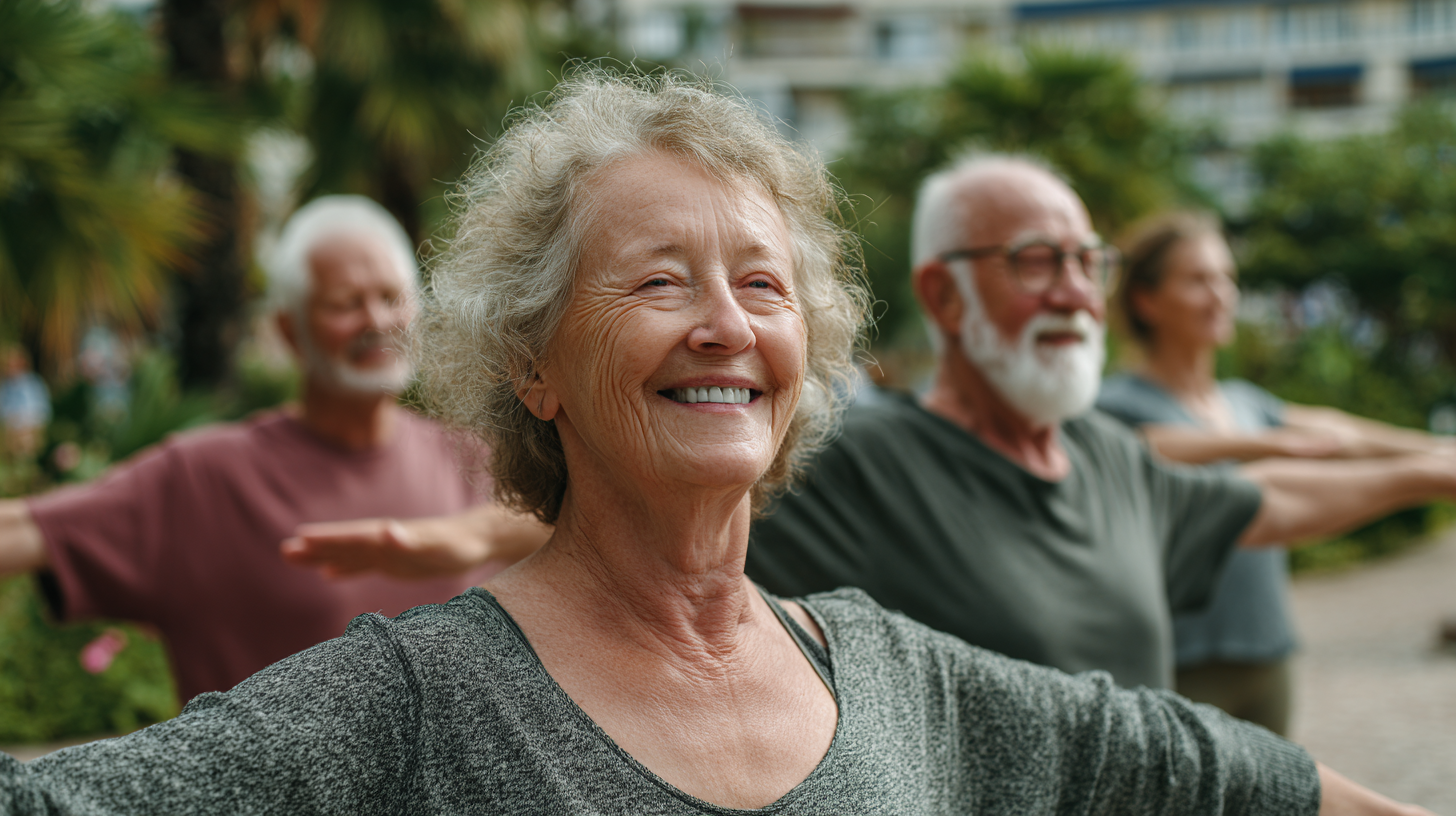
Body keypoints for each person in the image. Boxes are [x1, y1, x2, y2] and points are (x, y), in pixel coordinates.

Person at [0, 71, 1424, 816]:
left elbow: (1202, 771)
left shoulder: (892, 676)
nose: (726, 325)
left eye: (762, 284)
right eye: (657, 280)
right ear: (531, 367)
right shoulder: (409, 702)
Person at [300, 154, 1456, 701]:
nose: (1073, 291)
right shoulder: (873, 451)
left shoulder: (1104, 455)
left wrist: (1434, 468)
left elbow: (1278, 502)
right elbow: (655, 487)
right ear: (945, 297)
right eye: (1036, 263)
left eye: (1085, 264)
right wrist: (456, 541)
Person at [0, 195, 541, 703]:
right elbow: (26, 531)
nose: (376, 322)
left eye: (390, 297)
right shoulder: (205, 477)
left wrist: (472, 535)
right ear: (288, 330)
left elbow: (589, 529)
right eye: (346, 303)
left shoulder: (473, 459)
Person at [1096, 210, 1453, 734]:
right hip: (1180, 664)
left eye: (1226, 278)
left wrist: (1436, 451)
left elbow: (1337, 432)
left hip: (1267, 653)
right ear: (1146, 300)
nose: (1221, 295)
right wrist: (1271, 444)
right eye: (1198, 280)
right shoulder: (1116, 404)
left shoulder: (1242, 401)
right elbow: (1135, 447)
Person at [0, 346, 51, 459]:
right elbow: (3, 411)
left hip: (31, 429)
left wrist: (25, 425)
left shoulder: (34, 384)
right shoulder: (5, 387)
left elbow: (42, 412)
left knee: (27, 441)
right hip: (11, 430)